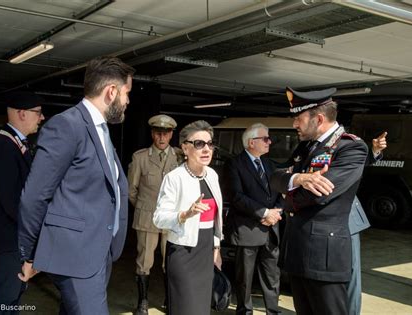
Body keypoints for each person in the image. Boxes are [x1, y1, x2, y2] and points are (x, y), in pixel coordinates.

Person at [18, 56, 135, 315]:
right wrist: (30, 254)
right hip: (75, 256)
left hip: (97, 253)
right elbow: (35, 196)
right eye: (127, 93)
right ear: (111, 91)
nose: (127, 101)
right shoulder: (67, 126)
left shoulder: (100, 130)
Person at [269, 86, 369, 315]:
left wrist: (287, 194)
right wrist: (298, 177)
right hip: (297, 249)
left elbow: (318, 196)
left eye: (299, 118)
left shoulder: (351, 147)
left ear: (319, 118)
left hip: (324, 256)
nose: (295, 124)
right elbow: (274, 177)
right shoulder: (305, 146)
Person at [0, 91, 45, 314]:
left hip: (17, 236)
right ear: (21, 114)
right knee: (5, 299)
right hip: (12, 238)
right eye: (37, 113)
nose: (42, 117)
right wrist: (31, 235)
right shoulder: (3, 145)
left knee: (13, 297)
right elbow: (12, 201)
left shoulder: (17, 143)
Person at [153, 120, 223, 315]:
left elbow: (215, 220)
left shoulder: (212, 175)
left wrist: (216, 249)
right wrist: (185, 214)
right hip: (183, 252)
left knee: (201, 309)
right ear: (185, 147)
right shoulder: (174, 177)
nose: (206, 149)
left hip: (206, 249)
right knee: (185, 308)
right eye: (199, 144)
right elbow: (159, 218)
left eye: (210, 144)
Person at [223, 123, 283, 315]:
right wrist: (265, 213)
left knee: (272, 276)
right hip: (247, 230)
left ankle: (273, 311)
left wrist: (276, 212)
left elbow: (280, 191)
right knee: (244, 278)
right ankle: (244, 311)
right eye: (265, 138)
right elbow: (237, 197)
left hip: (271, 230)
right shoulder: (234, 164)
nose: (269, 142)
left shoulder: (269, 164)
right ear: (251, 142)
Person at [128, 114, 179, 314]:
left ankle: (170, 299)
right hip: (147, 217)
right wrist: (145, 207)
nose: (161, 138)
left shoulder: (180, 156)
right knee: (144, 262)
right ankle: (143, 302)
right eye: (158, 133)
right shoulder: (140, 157)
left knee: (171, 262)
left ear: (171, 134)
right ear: (152, 134)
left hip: (172, 219)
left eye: (165, 134)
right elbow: (131, 190)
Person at [347, 131, 387, 315]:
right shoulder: (311, 145)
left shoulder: (344, 142)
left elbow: (357, 163)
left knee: (352, 272)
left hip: (347, 221)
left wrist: (374, 151)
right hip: (321, 222)